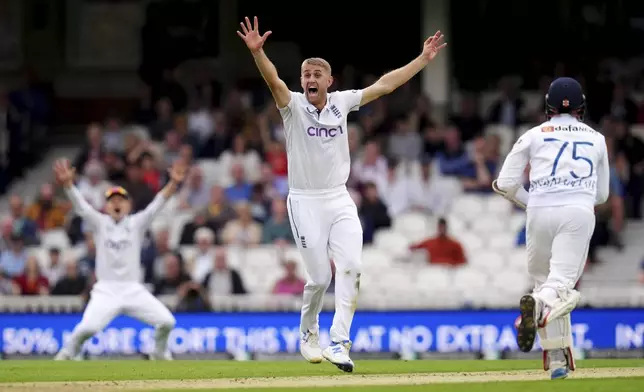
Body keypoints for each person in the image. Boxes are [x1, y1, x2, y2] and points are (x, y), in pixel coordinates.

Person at [237, 16, 446, 372]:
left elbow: (385, 85)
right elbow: (273, 79)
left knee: (351, 267)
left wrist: (422, 61)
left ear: (329, 81)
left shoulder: (342, 102)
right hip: (304, 199)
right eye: (306, 74)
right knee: (320, 278)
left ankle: (340, 342)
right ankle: (308, 333)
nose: (311, 79)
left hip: (338, 197)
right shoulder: (292, 107)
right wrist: (258, 53)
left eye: (317, 74)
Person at [493, 77, 609, 380]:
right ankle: (538, 307)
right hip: (577, 211)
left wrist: (533, 202)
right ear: (581, 107)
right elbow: (602, 196)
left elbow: (504, 183)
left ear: (548, 107)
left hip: (539, 211)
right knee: (559, 289)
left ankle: (558, 361)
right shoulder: (597, 138)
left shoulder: (533, 134)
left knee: (545, 282)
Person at [52, 158, 186, 361]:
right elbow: (81, 206)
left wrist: (174, 183)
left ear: (129, 205)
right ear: (106, 206)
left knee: (167, 322)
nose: (116, 203)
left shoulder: (136, 223)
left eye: (121, 200)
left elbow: (157, 204)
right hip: (106, 290)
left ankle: (159, 352)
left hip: (133, 289)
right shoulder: (100, 223)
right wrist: (69, 185)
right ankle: (67, 353)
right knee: (87, 328)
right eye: (112, 200)